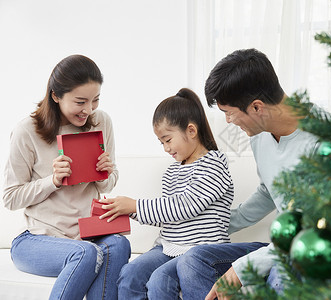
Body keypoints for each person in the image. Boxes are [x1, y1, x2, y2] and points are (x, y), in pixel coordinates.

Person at [172, 48, 319, 300]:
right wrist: (215, 222)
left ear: (256, 107)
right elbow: (268, 192)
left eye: (229, 112)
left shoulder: (321, 139)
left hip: (310, 246)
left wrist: (243, 268)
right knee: (193, 261)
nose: (229, 121)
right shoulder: (260, 135)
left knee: (282, 274)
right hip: (279, 247)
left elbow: (312, 228)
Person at [3, 54, 131, 300]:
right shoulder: (26, 131)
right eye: (80, 101)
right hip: (37, 239)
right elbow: (10, 198)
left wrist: (104, 173)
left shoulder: (101, 121)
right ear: (55, 95)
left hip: (87, 232)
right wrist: (52, 181)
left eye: (95, 100)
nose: (88, 109)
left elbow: (110, 180)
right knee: (86, 253)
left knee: (119, 245)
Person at [98, 88, 235, 300]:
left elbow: (185, 205)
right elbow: (167, 215)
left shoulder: (214, 163)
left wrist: (134, 206)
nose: (165, 148)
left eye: (168, 140)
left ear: (191, 131)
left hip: (199, 252)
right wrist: (124, 210)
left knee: (160, 281)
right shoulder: (172, 171)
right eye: (161, 142)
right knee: (129, 274)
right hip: (168, 247)